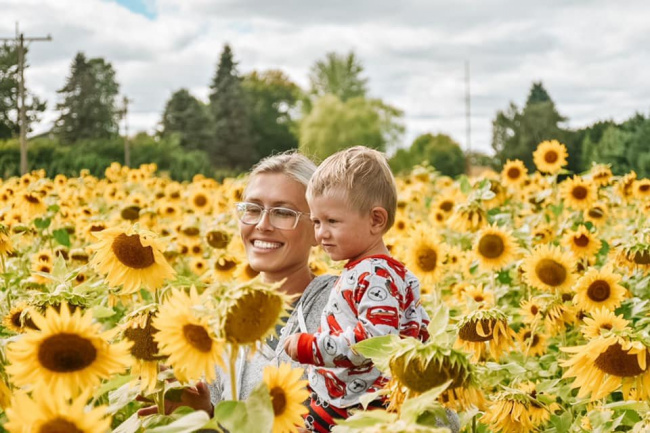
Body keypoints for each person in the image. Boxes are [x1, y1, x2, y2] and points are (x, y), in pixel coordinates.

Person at [138, 151, 337, 416]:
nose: (263, 224)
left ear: (317, 227)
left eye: (282, 212)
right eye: (253, 209)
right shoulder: (213, 318)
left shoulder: (342, 304)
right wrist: (203, 412)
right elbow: (223, 418)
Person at [283, 146, 432, 432]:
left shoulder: (373, 274)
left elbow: (375, 342)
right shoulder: (393, 272)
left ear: (376, 220)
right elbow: (419, 329)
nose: (321, 233)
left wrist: (309, 346)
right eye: (316, 221)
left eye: (332, 221)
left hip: (356, 405)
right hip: (363, 398)